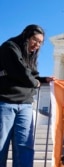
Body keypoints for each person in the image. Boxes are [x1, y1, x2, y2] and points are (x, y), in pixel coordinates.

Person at [0, 24, 54, 167]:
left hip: (25, 105)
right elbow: (20, 72)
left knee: (25, 146)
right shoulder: (9, 48)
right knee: (1, 145)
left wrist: (43, 80)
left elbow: (32, 75)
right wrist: (34, 82)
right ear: (26, 36)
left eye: (40, 43)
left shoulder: (30, 55)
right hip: (5, 102)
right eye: (35, 40)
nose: (37, 45)